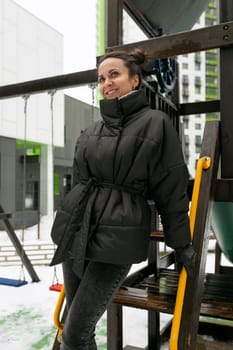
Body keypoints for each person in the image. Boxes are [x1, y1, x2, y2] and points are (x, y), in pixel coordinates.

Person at [50, 48, 196, 350]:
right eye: (102, 78)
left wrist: (181, 243)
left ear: (135, 80)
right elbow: (78, 181)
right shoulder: (91, 130)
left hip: (116, 239)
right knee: (74, 329)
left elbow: (171, 188)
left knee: (76, 333)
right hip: (77, 232)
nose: (107, 83)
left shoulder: (156, 123)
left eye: (114, 74)